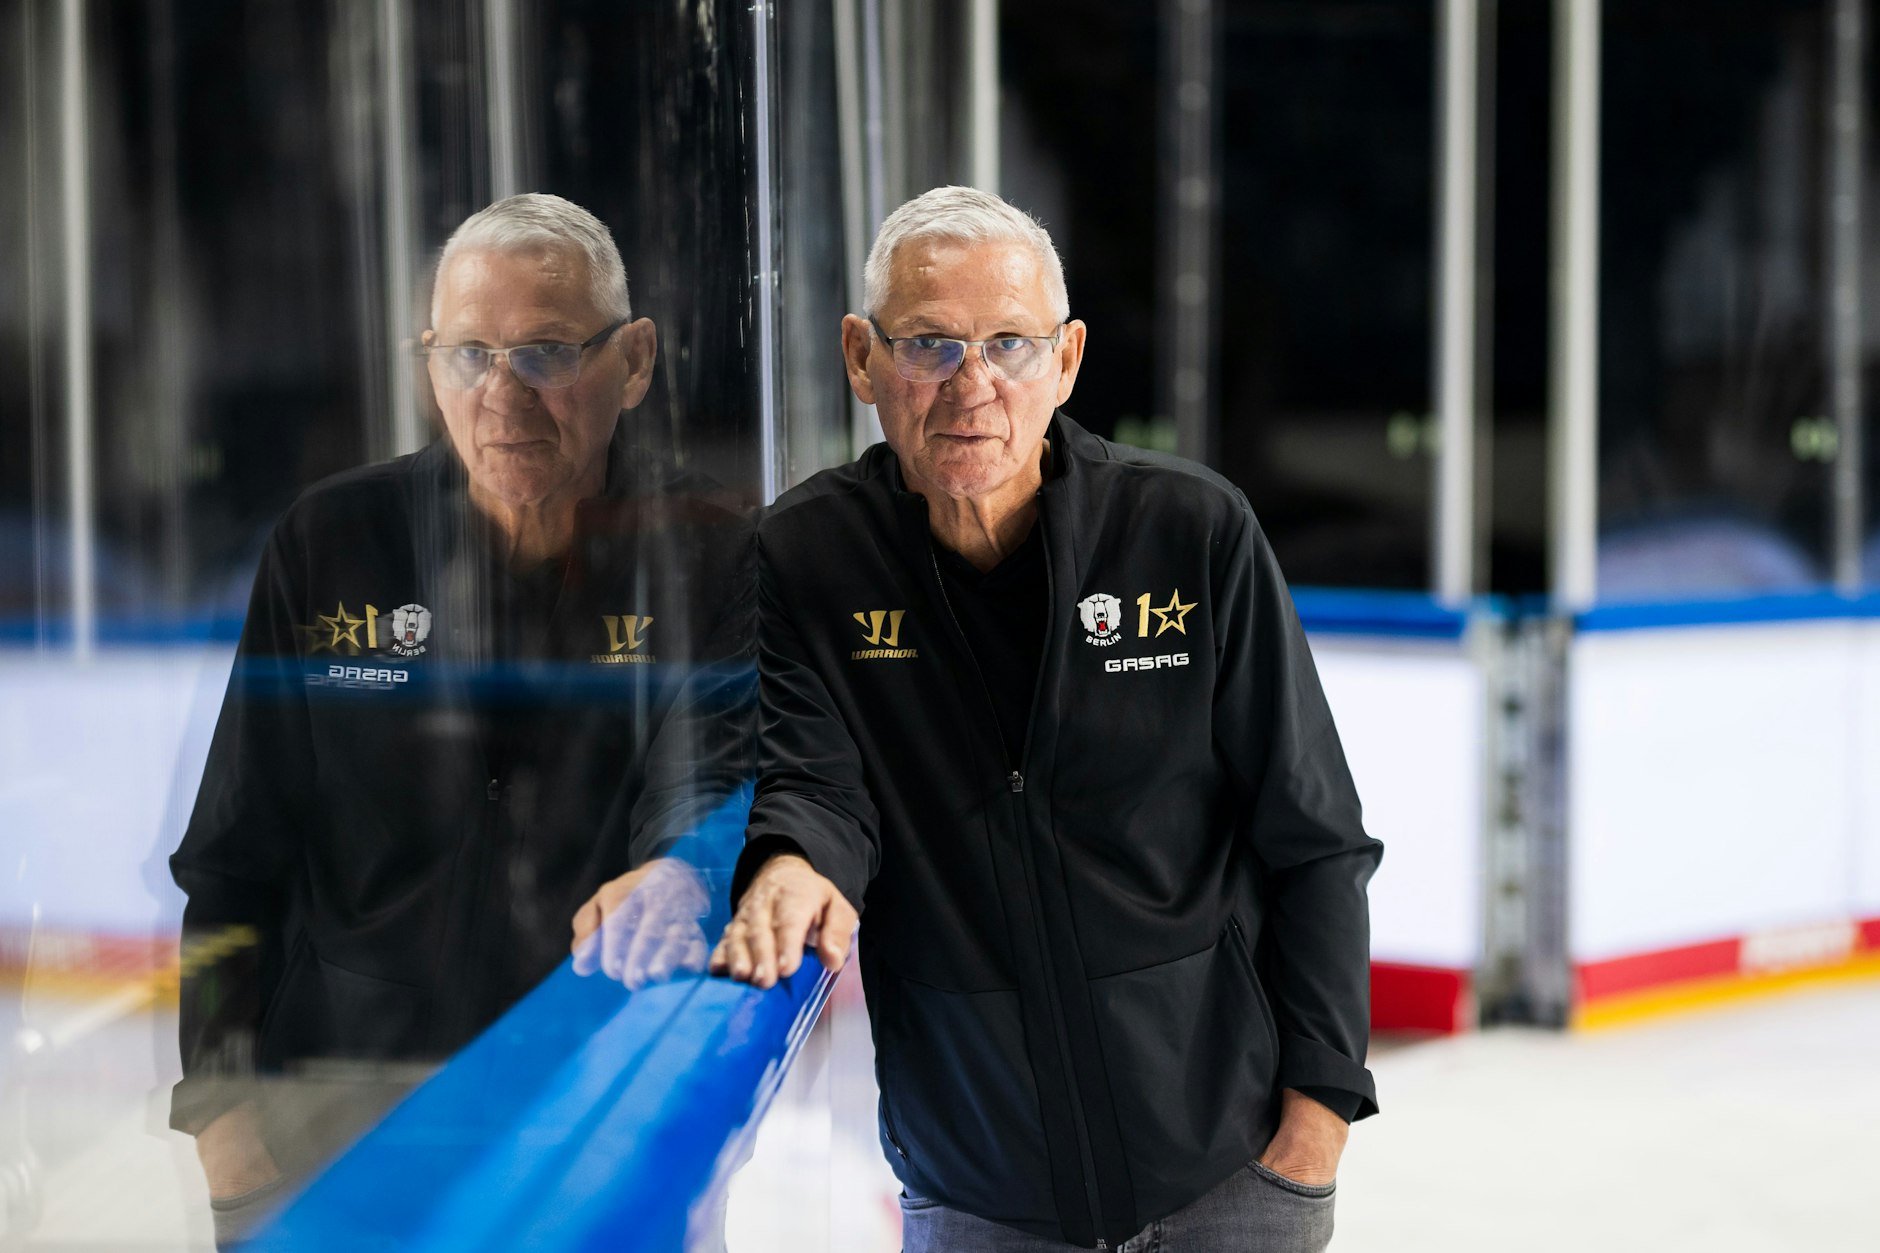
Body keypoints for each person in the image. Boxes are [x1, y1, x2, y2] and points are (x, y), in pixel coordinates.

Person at [711, 186, 1381, 1251]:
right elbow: (813, 773)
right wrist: (794, 858)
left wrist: (1315, 1120)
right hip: (976, 1195)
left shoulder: (1188, 532)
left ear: (1064, 361)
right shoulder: (804, 558)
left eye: (1009, 344)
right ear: (860, 357)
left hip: (1230, 1175)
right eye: (928, 342)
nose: (970, 385)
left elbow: (1315, 838)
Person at [171, 193, 752, 1244]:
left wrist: (681, 867)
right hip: (331, 1126)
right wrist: (218, 1112)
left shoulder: (706, 550)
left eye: (543, 352)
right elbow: (228, 860)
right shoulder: (330, 541)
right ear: (425, 362)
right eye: (466, 353)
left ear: (633, 361)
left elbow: (705, 777)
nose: (500, 394)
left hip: (583, 1121)